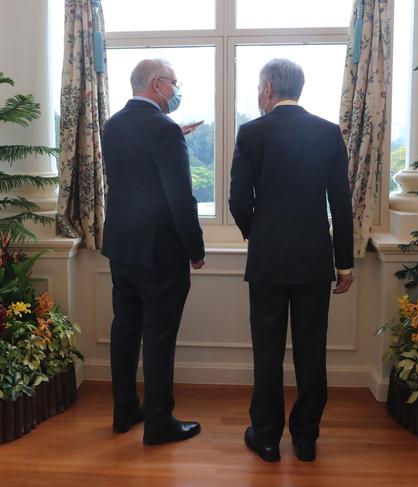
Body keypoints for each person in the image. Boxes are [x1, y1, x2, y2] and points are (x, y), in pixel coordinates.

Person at [229, 58, 354, 462]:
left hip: (267, 260)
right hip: (315, 260)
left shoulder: (251, 132)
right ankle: (305, 438)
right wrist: (345, 263)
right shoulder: (328, 132)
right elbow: (341, 203)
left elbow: (236, 200)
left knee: (266, 351)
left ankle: (266, 438)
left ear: (267, 88)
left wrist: (257, 232)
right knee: (311, 350)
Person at [101, 58, 205, 446]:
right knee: (159, 336)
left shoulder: (113, 124)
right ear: (158, 83)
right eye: (175, 83)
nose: (176, 90)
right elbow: (181, 197)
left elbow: (135, 169)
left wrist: (173, 133)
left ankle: (124, 411)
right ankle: (159, 422)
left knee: (125, 329)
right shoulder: (163, 129)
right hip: (160, 251)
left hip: (121, 246)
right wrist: (195, 248)